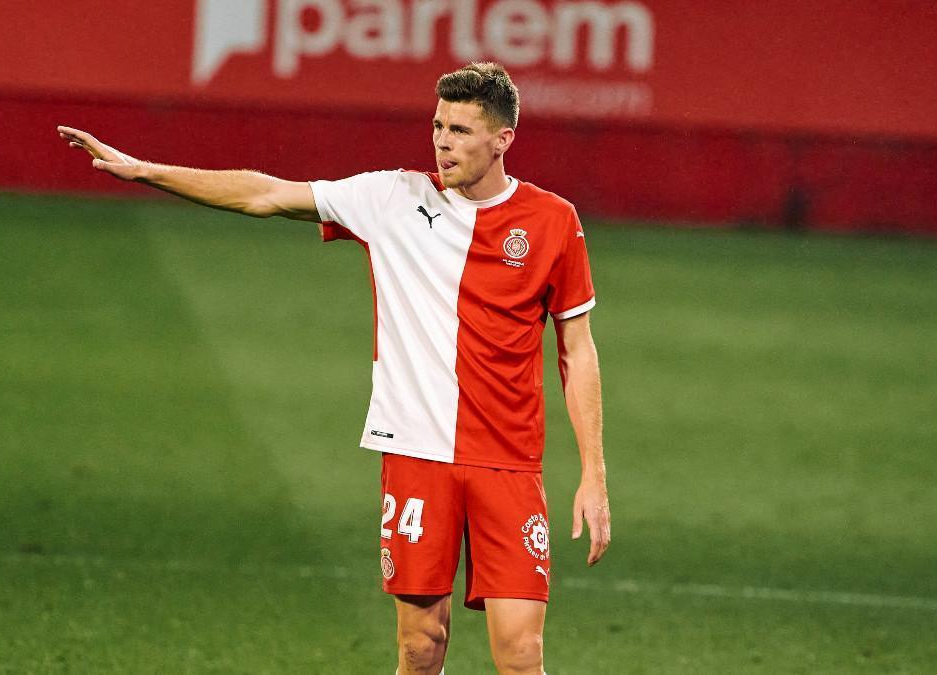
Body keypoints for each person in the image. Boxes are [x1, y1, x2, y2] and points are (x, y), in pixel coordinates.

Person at [58, 61, 609, 675]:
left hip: (508, 460)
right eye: (437, 125)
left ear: (502, 139)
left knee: (521, 652)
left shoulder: (554, 221)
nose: (441, 141)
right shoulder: (392, 198)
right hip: (418, 454)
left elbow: (576, 348)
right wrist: (145, 171)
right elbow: (264, 192)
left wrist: (593, 473)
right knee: (420, 645)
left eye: (459, 129)